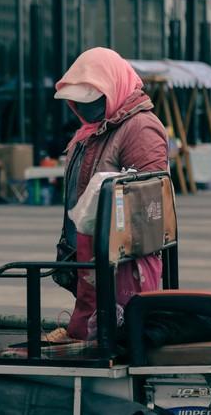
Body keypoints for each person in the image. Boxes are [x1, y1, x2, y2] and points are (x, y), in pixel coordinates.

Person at [53, 47, 168, 340]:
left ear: (113, 87)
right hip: (89, 256)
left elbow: (151, 199)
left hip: (122, 261)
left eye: (92, 99)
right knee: (89, 332)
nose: (85, 107)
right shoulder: (90, 131)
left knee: (117, 338)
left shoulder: (140, 127)